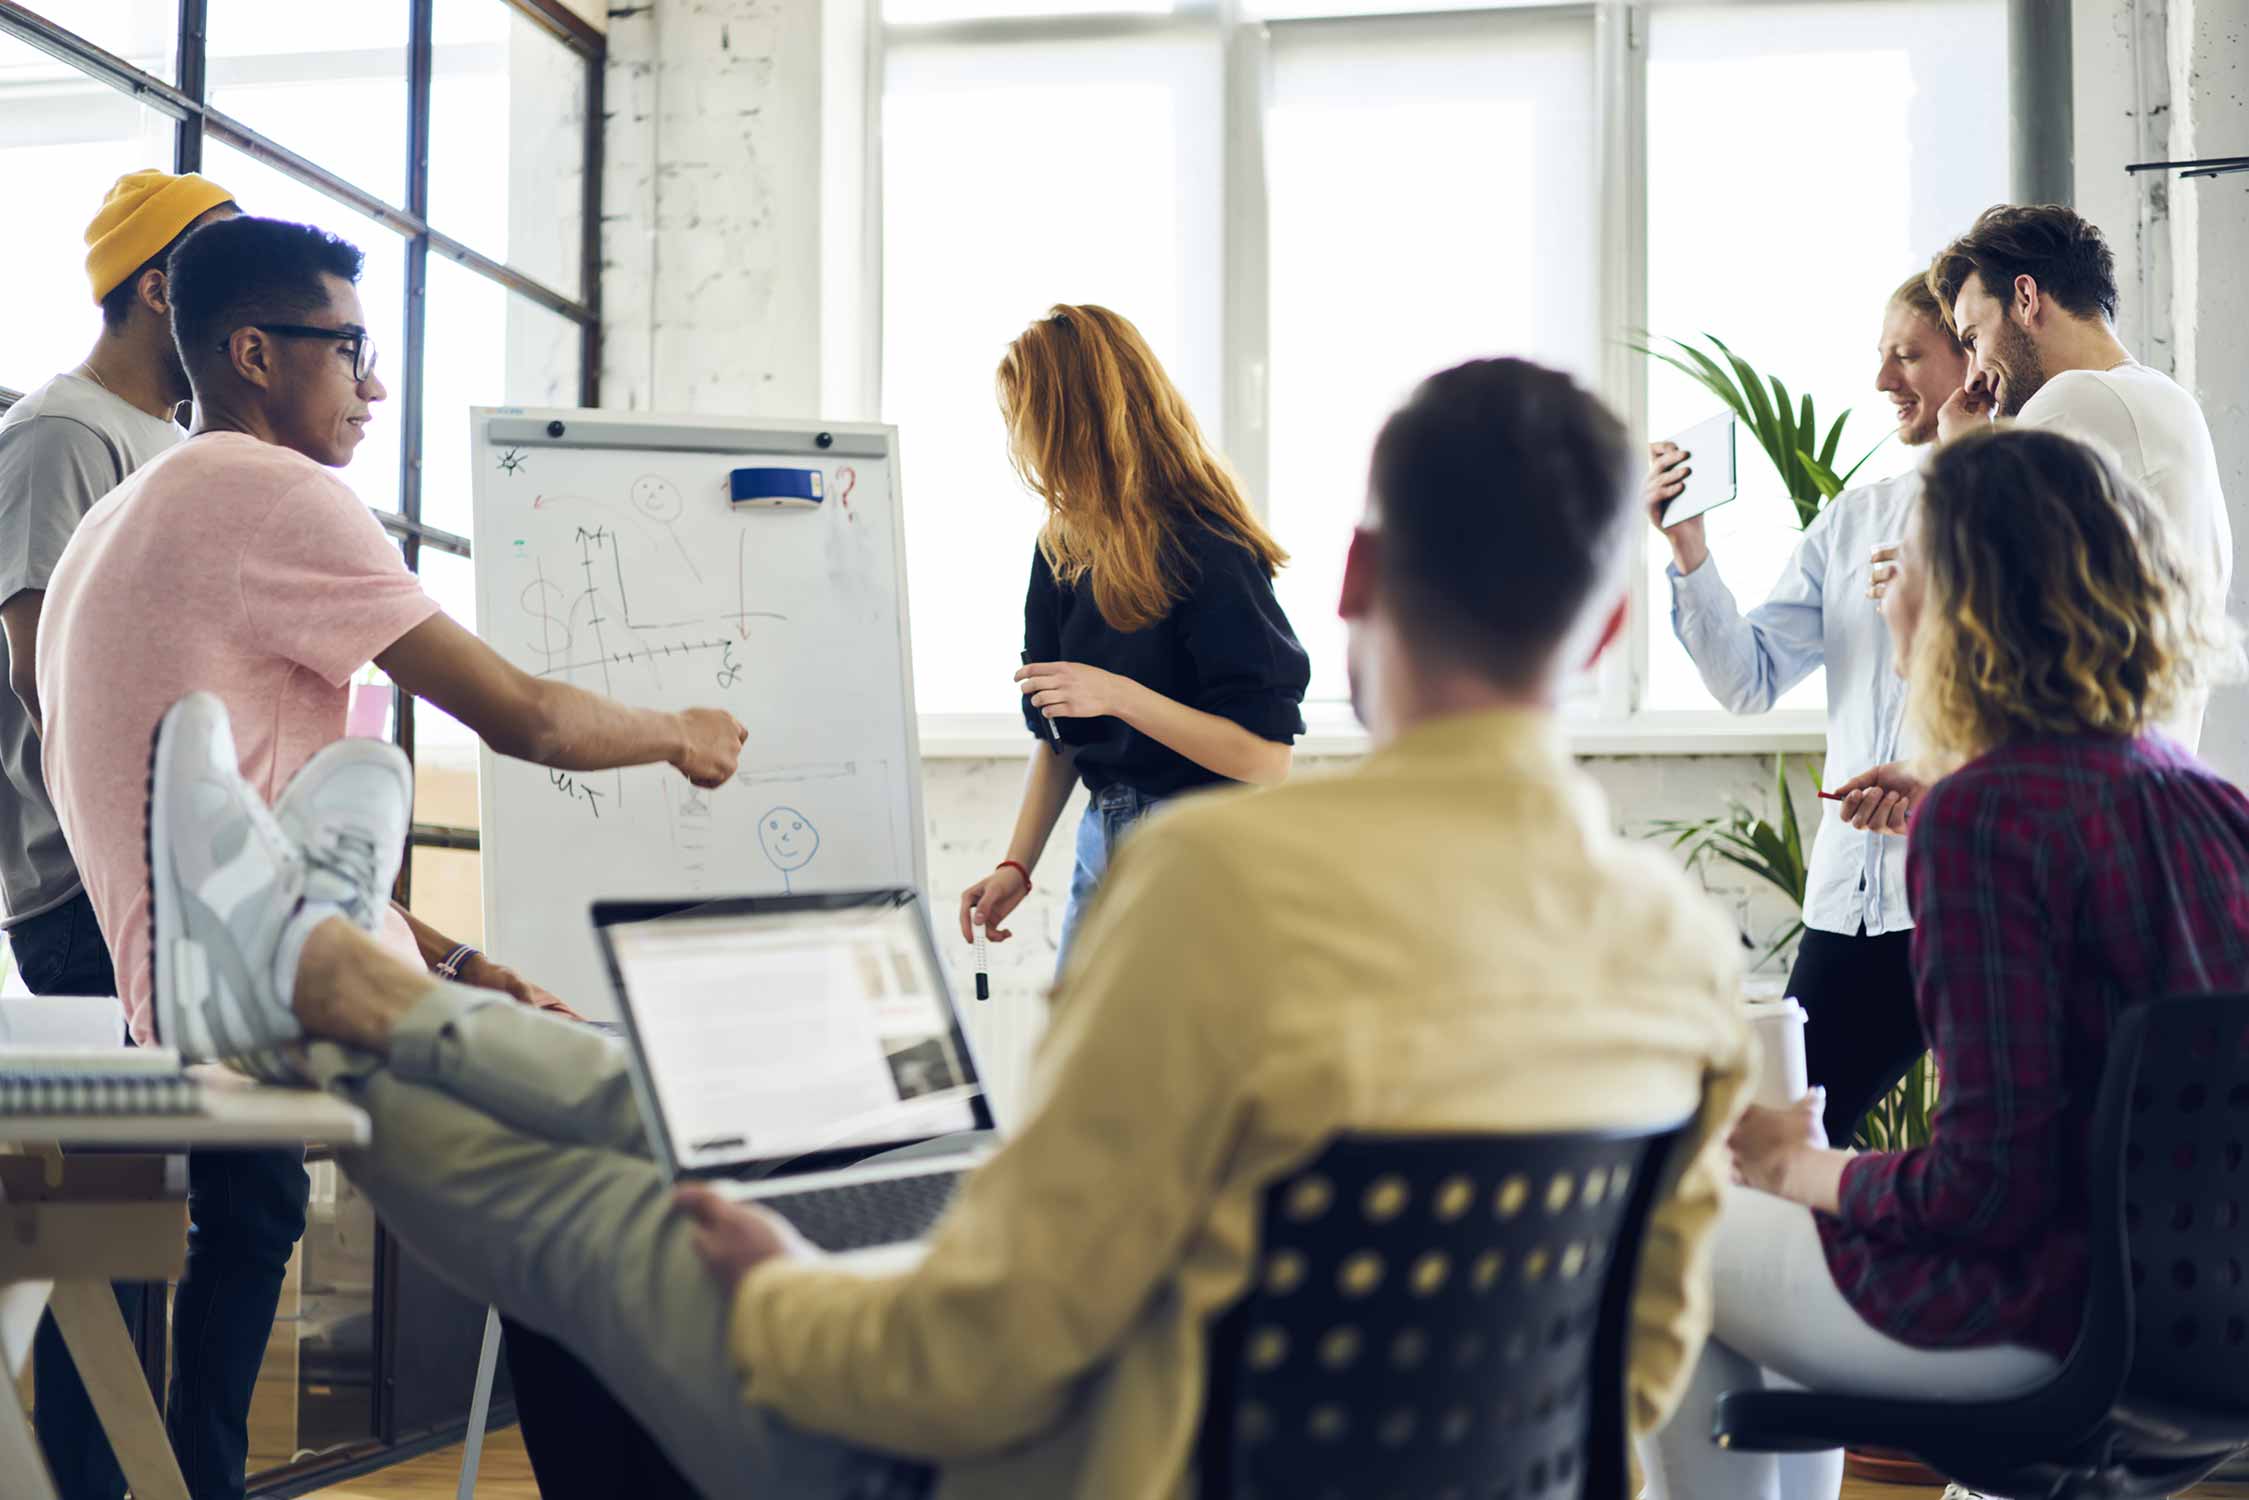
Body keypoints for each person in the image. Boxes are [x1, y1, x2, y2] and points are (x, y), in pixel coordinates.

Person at [137, 357, 1752, 1499]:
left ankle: (297, 987)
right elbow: (1626, 1384)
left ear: (1348, 575)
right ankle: (325, 969)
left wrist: (784, 1298)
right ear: (1610, 619)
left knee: (616, 1224)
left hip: (995, 1470)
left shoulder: (1223, 896)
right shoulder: (1673, 958)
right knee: (730, 1134)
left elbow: (991, 1351)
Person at [33, 213, 744, 1497]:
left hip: (202, 979)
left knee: (578, 1183)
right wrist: (681, 733)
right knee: (653, 1143)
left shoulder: (123, 516)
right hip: (259, 1012)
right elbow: (524, 717)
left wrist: (461, 955)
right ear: (253, 351)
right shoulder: (270, 489)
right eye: (351, 349)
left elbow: (264, 818)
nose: (372, 387)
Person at [1640, 427, 2249, 1500]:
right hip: (2205, 1327)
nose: (1886, 598)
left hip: (2036, 1323)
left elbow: (1984, 1191)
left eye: (1904, 567)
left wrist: (1798, 1169)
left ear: (1961, 599)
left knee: (1675, 1231)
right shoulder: (2211, 805)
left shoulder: (1982, 814)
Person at [0, 168, 243, 1500]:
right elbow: (51, 683)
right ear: (162, 285)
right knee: (123, 1223)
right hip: (91, 888)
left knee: (244, 1204)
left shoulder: (186, 447)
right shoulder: (60, 435)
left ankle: (194, 1478)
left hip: (194, 887)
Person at [1645, 274, 1970, 1148]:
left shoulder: (2034, 514)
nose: (1882, 382)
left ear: (1973, 359)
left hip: (1969, 900)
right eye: (1881, 356)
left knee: (2005, 1149)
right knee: (1778, 1136)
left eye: (1907, 355)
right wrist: (1688, 548)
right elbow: (1745, 680)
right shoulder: (1851, 520)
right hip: (1852, 905)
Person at [958, 305, 1310, 973]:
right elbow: (1059, 738)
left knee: (1157, 1070)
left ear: (1070, 421)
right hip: (1107, 832)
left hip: (1199, 848)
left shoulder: (1210, 546)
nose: (1021, 441)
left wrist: (1119, 695)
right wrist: (1016, 865)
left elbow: (1264, 759)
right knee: (1090, 1065)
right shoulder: (1060, 546)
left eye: (1026, 419)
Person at [1908, 203, 2232, 750]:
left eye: (1972, 339)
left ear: (2026, 298)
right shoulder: (2167, 401)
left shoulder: (2077, 399)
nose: (1973, 374)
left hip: (2073, 794)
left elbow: (1971, 599)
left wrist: (1960, 451)